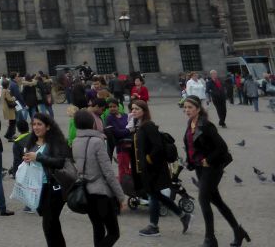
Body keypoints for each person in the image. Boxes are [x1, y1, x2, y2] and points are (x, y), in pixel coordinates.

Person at [182, 96, 248, 247]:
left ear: (198, 109)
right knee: (217, 201)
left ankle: (210, 239)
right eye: (185, 107)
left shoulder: (206, 125)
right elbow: (191, 145)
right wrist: (189, 160)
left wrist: (208, 160)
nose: (187, 110)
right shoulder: (190, 123)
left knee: (203, 199)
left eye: (190, 107)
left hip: (212, 168)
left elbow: (222, 148)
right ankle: (238, 231)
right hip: (199, 168)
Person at [129, 99, 189, 237]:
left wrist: (148, 160)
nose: (134, 111)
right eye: (132, 109)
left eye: (137, 109)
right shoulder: (139, 125)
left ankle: (153, 226)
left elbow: (157, 146)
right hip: (147, 168)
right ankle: (182, 216)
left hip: (153, 168)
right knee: (155, 195)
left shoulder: (148, 125)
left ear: (144, 111)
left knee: (153, 195)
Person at [71, 109, 125, 247]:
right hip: (100, 191)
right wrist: (120, 196)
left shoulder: (76, 141)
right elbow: (108, 172)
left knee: (98, 228)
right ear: (92, 122)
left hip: (86, 191)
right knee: (114, 232)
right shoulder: (97, 141)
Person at [20, 112, 70, 247]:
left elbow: (60, 162)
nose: (36, 127)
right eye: (34, 124)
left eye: (39, 124)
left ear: (48, 127)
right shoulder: (32, 141)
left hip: (54, 188)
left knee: (48, 225)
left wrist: (39, 157)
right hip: (37, 188)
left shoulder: (56, 142)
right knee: (53, 225)